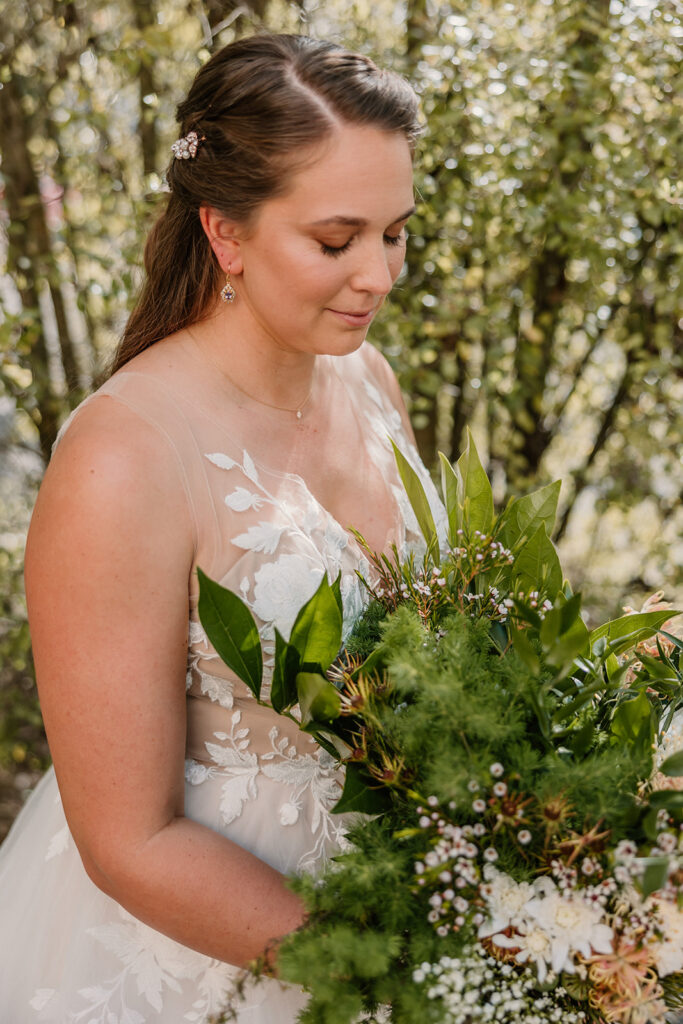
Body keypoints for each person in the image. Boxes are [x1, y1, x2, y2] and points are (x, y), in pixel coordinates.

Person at [0, 33, 445, 1023]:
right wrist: (385, 976)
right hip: (221, 960)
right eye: (336, 241)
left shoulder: (369, 385)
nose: (377, 275)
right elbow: (130, 839)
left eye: (395, 234)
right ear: (225, 231)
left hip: (419, 895)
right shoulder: (126, 458)